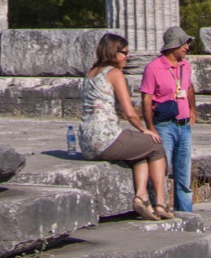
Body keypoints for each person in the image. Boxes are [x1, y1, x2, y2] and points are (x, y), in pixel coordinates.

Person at [78, 32, 173, 221]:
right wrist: (144, 129)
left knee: (139, 150)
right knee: (155, 145)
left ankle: (142, 198)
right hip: (105, 138)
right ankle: (161, 203)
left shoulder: (90, 73)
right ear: (114, 52)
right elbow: (129, 112)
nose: (127, 57)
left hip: (86, 141)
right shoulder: (114, 74)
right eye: (124, 53)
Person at [140, 26, 196, 213]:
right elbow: (146, 98)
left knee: (184, 174)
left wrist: (192, 110)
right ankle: (159, 206)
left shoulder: (185, 66)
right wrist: (150, 126)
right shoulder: (153, 68)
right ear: (173, 46)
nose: (187, 47)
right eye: (183, 43)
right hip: (164, 126)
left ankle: (186, 213)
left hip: (184, 125)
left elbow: (189, 88)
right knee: (162, 169)